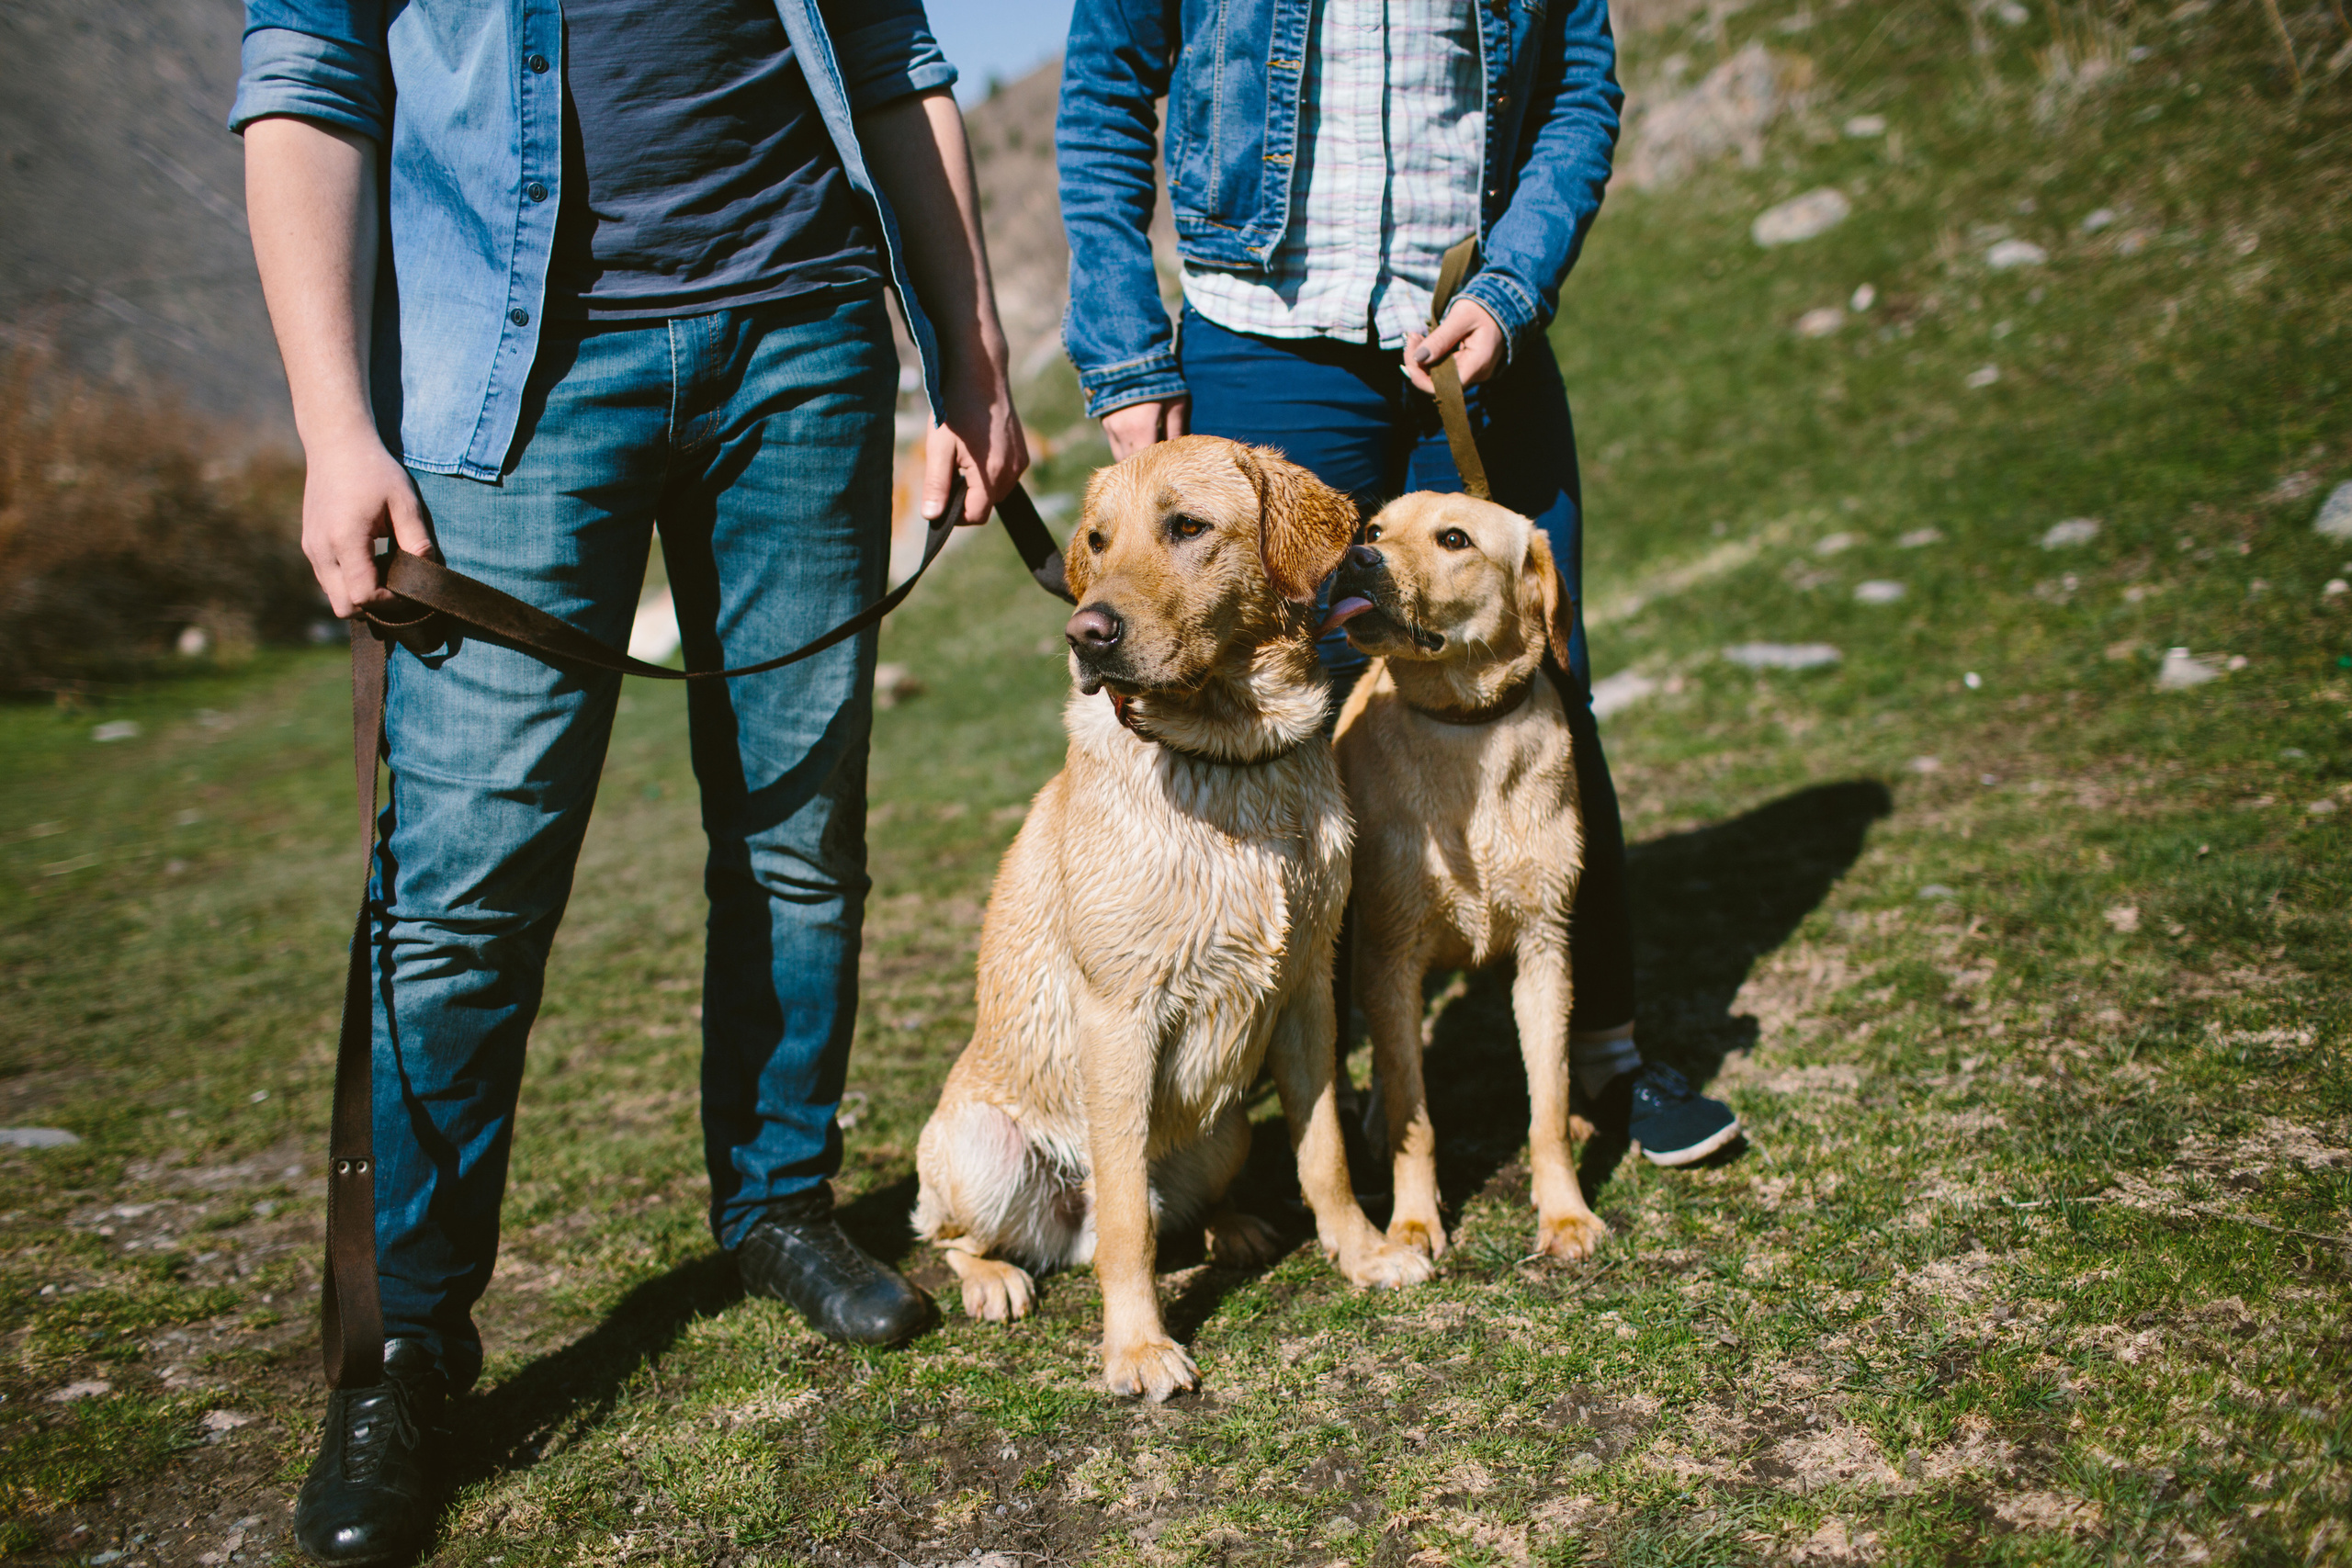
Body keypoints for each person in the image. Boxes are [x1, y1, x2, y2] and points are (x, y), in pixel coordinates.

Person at [232, 0, 1024, 1559]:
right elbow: (307, 76)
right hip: (505, 379)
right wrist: (334, 426)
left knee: (802, 836)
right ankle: (408, 1346)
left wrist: (968, 349)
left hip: (803, 341)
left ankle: (780, 1202)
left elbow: (892, 59)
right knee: (462, 896)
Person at [1057, 0, 1739, 1173]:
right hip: (1260, 338)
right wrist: (1126, 351)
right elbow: (1105, 91)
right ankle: (1300, 1088)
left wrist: (1514, 284)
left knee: (1540, 675)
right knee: (1262, 713)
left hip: (1471, 330)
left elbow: (1579, 86)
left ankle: (1605, 1054)